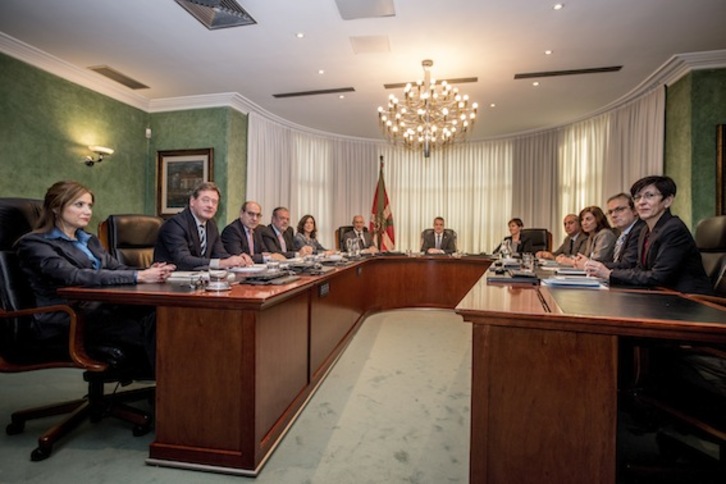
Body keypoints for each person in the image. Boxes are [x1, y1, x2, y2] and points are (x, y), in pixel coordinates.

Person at [16, 180, 176, 373]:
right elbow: (72, 275)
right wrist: (139, 276)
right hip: (68, 317)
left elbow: (115, 267)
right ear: (56, 208)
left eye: (90, 205)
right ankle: (169, 393)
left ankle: (171, 389)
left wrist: (150, 271)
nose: (88, 211)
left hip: (101, 309)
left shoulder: (89, 240)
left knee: (164, 316)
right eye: (79, 205)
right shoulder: (34, 243)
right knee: (156, 332)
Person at [584, 176, 712, 294]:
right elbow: (640, 269)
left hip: (688, 300)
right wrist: (606, 273)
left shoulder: (673, 229)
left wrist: (609, 274)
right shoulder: (645, 229)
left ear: (667, 201)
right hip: (660, 294)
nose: (641, 202)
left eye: (649, 196)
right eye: (637, 197)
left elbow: (658, 276)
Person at [154, 182, 250, 271]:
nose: (210, 205)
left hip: (197, 279)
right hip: (170, 280)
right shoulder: (175, 224)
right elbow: (183, 259)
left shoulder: (211, 224)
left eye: (214, 202)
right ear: (192, 201)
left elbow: (219, 254)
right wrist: (221, 263)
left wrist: (237, 259)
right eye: (205, 200)